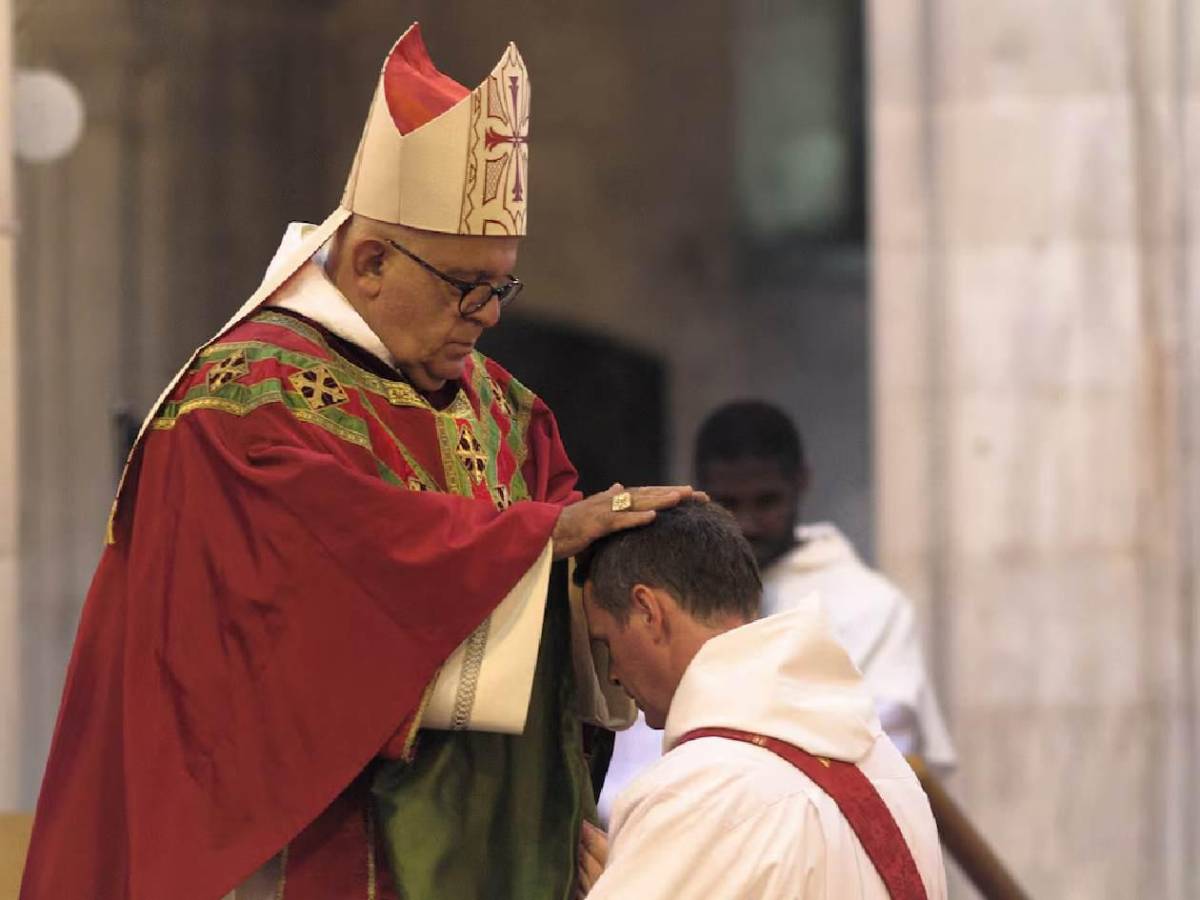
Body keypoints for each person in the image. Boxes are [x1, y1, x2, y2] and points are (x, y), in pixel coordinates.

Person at [20, 24, 692, 900]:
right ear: (371, 260)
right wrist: (533, 541)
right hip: (303, 860)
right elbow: (288, 635)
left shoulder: (509, 413)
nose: (488, 315)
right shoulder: (238, 409)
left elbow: (551, 626)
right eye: (466, 287)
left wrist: (550, 796)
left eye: (503, 286)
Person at [597, 401, 954, 823]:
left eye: (766, 502)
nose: (747, 523)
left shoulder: (869, 605)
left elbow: (877, 755)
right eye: (729, 502)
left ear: (801, 482)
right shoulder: (665, 588)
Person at [573, 502, 947, 899]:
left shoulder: (695, 792)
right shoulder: (888, 769)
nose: (612, 673)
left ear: (649, 611)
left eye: (607, 642)